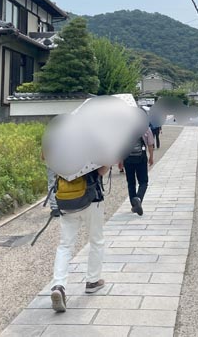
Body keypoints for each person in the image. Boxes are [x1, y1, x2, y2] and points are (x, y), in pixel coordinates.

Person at [50, 165, 110, 313]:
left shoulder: (60, 144)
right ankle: (92, 281)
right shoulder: (91, 143)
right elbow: (102, 170)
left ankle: (59, 285)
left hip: (66, 198)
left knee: (65, 245)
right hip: (91, 197)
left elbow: (48, 161)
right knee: (96, 240)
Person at [121, 126, 154, 216]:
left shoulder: (125, 128)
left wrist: (120, 160)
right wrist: (151, 156)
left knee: (131, 183)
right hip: (141, 158)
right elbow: (150, 143)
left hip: (128, 159)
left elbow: (121, 146)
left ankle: (134, 204)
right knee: (143, 182)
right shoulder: (145, 128)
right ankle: (138, 199)